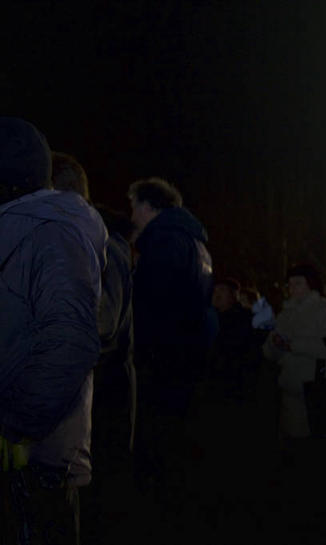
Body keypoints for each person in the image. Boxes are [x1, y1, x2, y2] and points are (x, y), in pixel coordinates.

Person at [0, 118, 107, 544]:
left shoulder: (52, 232)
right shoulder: (24, 226)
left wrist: (16, 423)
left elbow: (70, 342)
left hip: (35, 458)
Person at [51, 152, 137, 540]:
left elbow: (102, 325)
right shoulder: (93, 240)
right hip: (95, 396)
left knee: (97, 506)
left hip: (103, 396)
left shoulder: (102, 246)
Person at [128, 177, 214, 519]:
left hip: (165, 360)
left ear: (150, 206)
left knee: (161, 443)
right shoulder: (193, 241)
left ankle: (160, 512)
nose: (131, 213)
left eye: (134, 205)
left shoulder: (164, 242)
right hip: (188, 356)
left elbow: (153, 306)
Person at [263, 264, 326, 439]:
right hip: (289, 391)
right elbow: (269, 351)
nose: (292, 288)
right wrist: (274, 345)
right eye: (290, 284)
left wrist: (292, 345)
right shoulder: (285, 313)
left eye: (298, 283)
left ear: (310, 284)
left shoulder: (324, 310)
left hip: (315, 391)